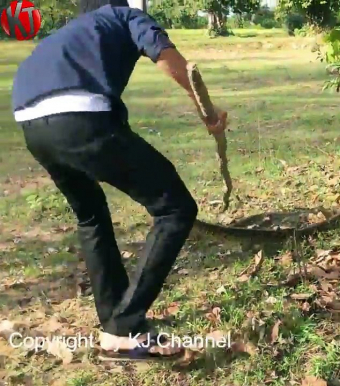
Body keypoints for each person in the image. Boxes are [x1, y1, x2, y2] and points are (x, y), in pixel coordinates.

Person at [11, 0, 228, 361]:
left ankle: (115, 324)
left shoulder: (63, 32)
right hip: (80, 116)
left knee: (91, 215)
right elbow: (170, 59)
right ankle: (125, 325)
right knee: (175, 208)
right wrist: (207, 110)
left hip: (32, 124)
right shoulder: (125, 15)